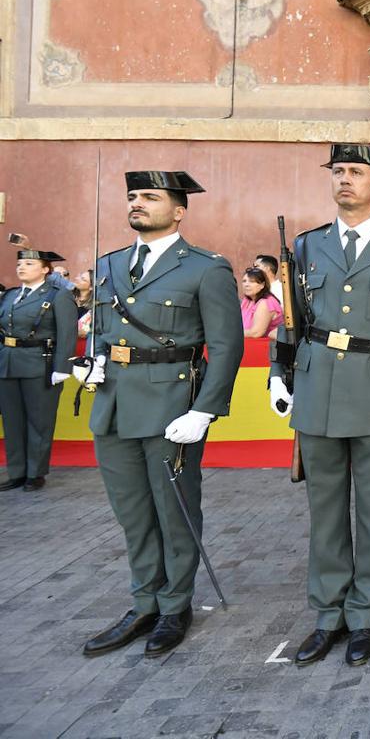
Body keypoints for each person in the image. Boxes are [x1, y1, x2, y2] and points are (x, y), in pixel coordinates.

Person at [268, 143, 370, 667]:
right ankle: (327, 613)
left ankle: (365, 615)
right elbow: (291, 324)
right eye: (338, 171)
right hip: (317, 393)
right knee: (325, 511)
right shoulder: (307, 246)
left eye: (356, 172)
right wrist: (280, 376)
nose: (345, 180)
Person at [80, 171, 243, 658]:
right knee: (133, 514)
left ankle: (175, 606)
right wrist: (95, 363)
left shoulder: (204, 268)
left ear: (178, 210)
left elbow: (227, 345)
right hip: (113, 405)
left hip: (172, 407)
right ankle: (144, 601)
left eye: (150, 197)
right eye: (133, 197)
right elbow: (106, 333)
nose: (138, 204)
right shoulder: (108, 264)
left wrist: (204, 410)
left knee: (174, 512)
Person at [0, 249, 77, 491]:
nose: (21, 267)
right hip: (9, 362)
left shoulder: (58, 296)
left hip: (39, 363)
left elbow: (67, 332)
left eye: (29, 264)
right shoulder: (10, 295)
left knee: (39, 421)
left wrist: (63, 366)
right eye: (20, 263)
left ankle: (35, 472)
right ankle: (17, 472)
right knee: (12, 421)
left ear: (45, 269)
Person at [240, 266, 283, 338]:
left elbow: (256, 333)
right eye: (244, 281)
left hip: (267, 347)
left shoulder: (266, 302)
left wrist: (227, 334)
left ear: (262, 285)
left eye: (252, 281)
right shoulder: (247, 300)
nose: (246, 285)